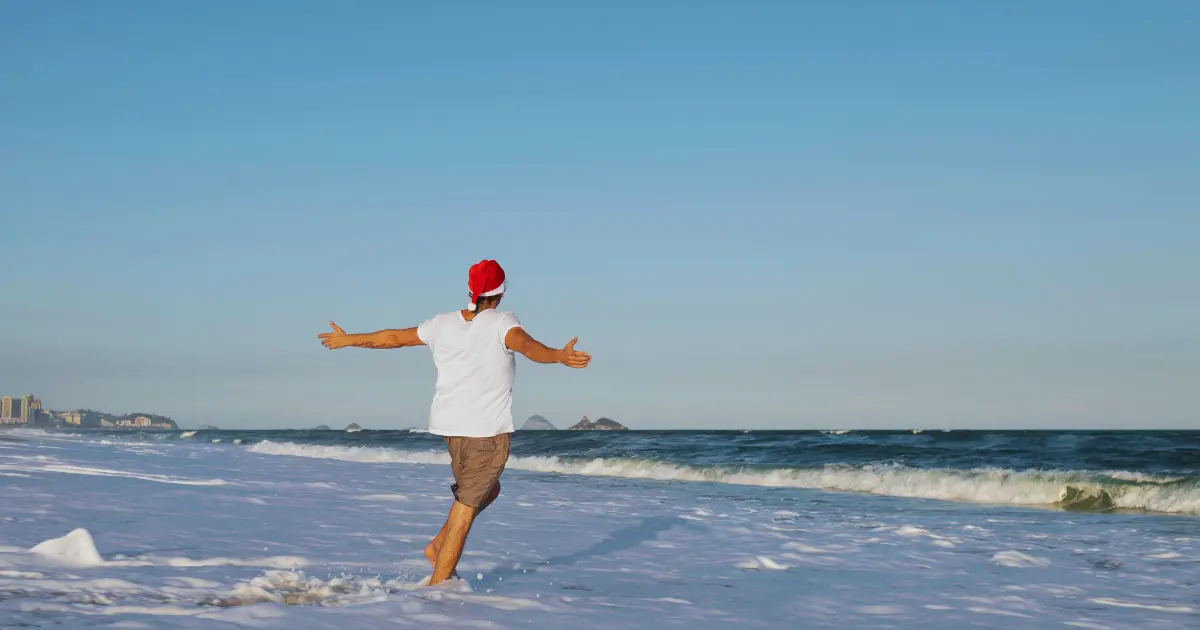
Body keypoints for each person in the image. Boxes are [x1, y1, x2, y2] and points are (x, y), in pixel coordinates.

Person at [317, 259, 591, 585]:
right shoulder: (503, 322)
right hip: (486, 434)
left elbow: (393, 338)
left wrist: (348, 339)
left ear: (470, 290)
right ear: (501, 293)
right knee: (464, 514)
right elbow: (529, 347)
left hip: (451, 431)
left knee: (486, 490)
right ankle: (435, 593)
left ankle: (436, 546)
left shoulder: (442, 323)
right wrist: (559, 356)